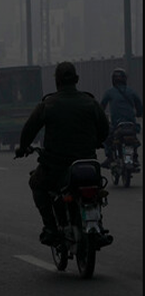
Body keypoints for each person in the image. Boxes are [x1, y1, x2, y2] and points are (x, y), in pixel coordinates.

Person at [15, 61, 111, 247]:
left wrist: (22, 148)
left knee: (36, 184)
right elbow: (105, 129)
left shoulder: (48, 104)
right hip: (88, 166)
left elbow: (29, 129)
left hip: (56, 168)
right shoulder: (91, 102)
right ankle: (97, 226)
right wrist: (96, 141)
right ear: (76, 80)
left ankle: (50, 228)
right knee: (95, 193)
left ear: (57, 82)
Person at [100, 68, 143, 169]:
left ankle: (110, 157)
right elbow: (140, 107)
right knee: (134, 140)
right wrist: (138, 114)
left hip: (117, 125)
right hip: (131, 125)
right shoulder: (132, 92)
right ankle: (134, 158)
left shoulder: (109, 92)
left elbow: (101, 107)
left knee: (106, 137)